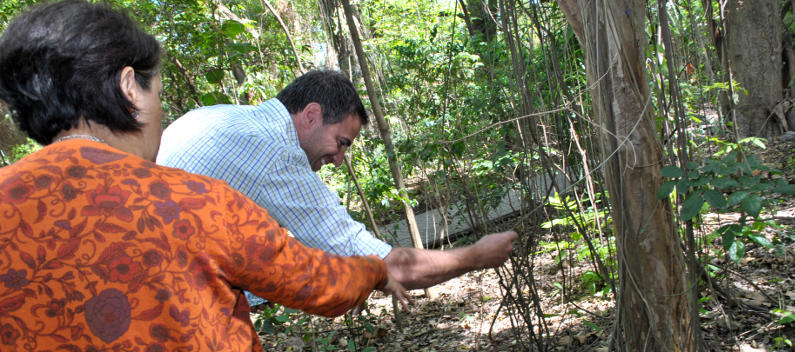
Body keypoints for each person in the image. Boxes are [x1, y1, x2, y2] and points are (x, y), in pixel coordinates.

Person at [0, 2, 408, 351]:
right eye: (156, 93)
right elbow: (314, 282)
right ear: (129, 89)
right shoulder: (197, 202)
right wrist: (374, 270)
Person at [157, 70, 519, 306]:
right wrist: (475, 256)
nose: (338, 159)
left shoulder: (214, 116)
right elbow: (384, 263)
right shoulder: (275, 152)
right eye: (341, 142)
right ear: (311, 114)